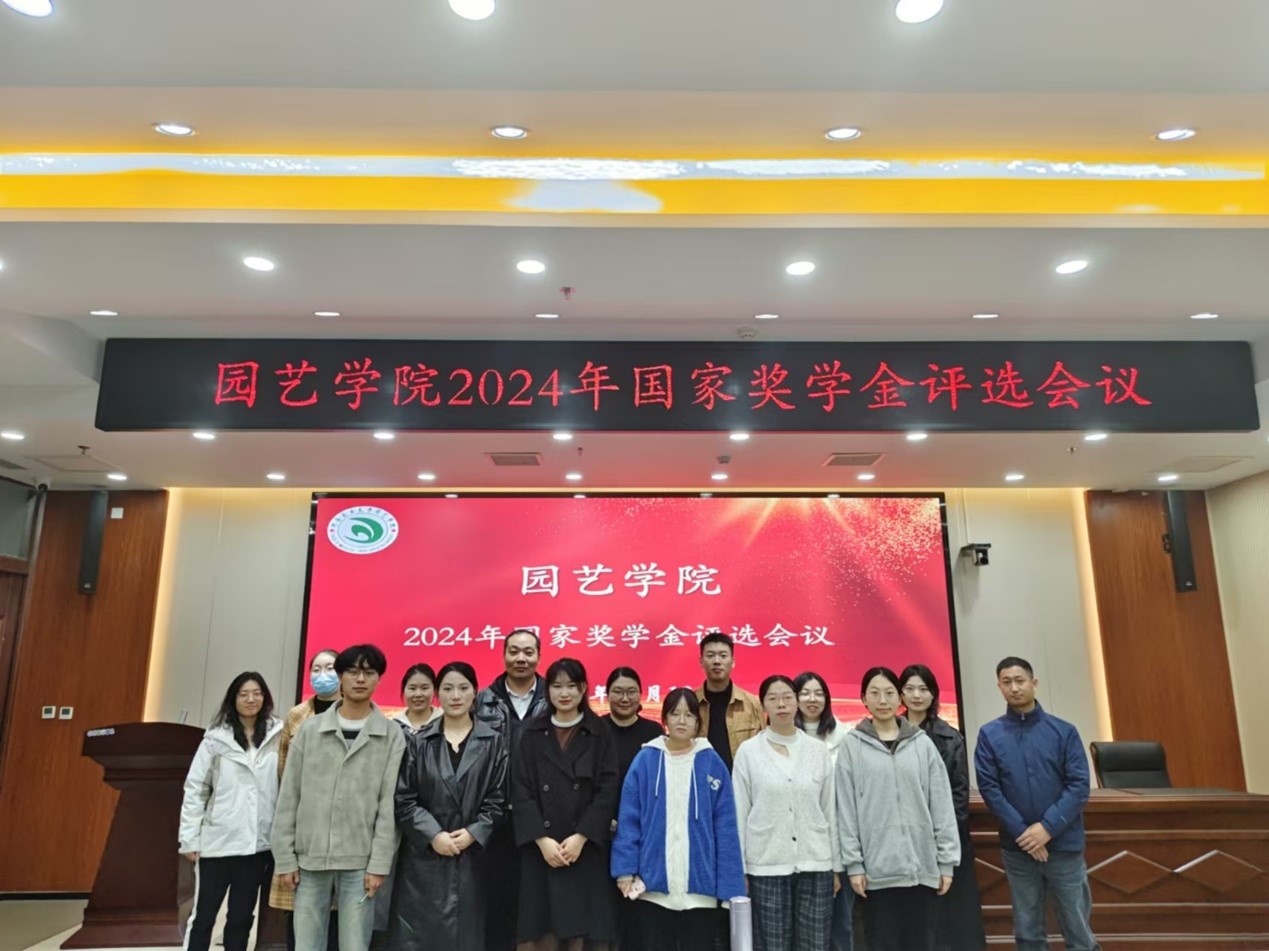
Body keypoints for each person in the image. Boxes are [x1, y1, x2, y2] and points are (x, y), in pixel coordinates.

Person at [271, 644, 407, 951]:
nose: (360, 679)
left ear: (379, 679)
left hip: (360, 862)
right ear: (341, 677)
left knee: (355, 945)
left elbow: (388, 806)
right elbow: (289, 796)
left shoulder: (390, 734)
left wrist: (379, 863)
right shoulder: (310, 730)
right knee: (307, 944)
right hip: (309, 859)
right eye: (352, 671)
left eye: (369, 672)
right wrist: (285, 857)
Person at [975, 657, 1100, 951]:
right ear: (999, 687)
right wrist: (1025, 834)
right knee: (1028, 931)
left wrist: (1046, 829)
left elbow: (1078, 786)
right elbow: (990, 790)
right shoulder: (990, 735)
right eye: (1007, 682)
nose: (1014, 688)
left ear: (1034, 683)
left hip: (1064, 845)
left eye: (1020, 681)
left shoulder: (1064, 731)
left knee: (1078, 930)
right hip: (1018, 848)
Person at [610, 688, 745, 951]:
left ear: (698, 722)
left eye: (689, 715)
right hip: (652, 887)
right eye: (675, 714)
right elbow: (629, 820)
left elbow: (726, 829)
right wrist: (624, 870)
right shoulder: (645, 760)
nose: (682, 720)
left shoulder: (712, 763)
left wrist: (731, 888)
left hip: (701, 890)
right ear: (664, 720)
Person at [837, 666, 959, 951]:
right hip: (876, 874)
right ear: (863, 699)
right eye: (874, 693)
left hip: (922, 870)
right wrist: (854, 865)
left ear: (899, 697)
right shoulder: (851, 746)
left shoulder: (921, 744)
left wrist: (946, 862)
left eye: (889, 693)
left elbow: (941, 805)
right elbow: (846, 810)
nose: (882, 700)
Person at [389, 662, 509, 951]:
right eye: (447, 688)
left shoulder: (493, 741)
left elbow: (499, 797)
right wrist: (433, 835)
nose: (455, 696)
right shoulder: (419, 742)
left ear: (475, 692)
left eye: (463, 688)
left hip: (474, 857)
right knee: (422, 938)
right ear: (437, 694)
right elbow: (404, 799)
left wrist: (473, 832)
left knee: (469, 936)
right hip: (425, 860)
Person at [512, 658, 620, 951]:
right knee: (541, 928)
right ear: (547, 690)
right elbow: (520, 790)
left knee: (584, 932)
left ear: (583, 688)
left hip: (584, 850)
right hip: (542, 851)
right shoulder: (532, 733)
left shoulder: (599, 732)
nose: (564, 693)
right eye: (557, 686)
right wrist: (541, 840)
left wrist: (581, 836)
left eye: (571, 686)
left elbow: (608, 790)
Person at [732, 674, 839, 951]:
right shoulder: (749, 752)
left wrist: (836, 867)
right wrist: (740, 869)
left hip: (816, 864)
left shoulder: (817, 751)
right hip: (766, 865)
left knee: (815, 944)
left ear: (797, 702)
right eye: (773, 698)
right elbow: (739, 813)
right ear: (763, 705)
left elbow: (830, 810)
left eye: (788, 697)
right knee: (773, 945)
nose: (781, 704)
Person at [179, 672, 283, 951]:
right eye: (243, 694)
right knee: (204, 916)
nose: (251, 699)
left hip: (257, 845)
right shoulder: (215, 738)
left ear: (265, 698)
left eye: (257, 693)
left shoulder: (277, 735)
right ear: (233, 699)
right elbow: (196, 788)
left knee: (241, 918)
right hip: (218, 844)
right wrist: (189, 838)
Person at [900, 663, 986, 951]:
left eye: (923, 689)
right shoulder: (886, 734)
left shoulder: (950, 737)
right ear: (901, 694)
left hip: (946, 841)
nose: (917, 695)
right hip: (903, 842)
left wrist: (941, 837)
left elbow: (959, 795)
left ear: (934, 694)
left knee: (951, 918)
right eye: (910, 688)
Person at [474, 629, 550, 951]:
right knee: (495, 900)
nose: (521, 658)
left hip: (541, 816)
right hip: (494, 815)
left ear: (539, 656)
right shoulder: (482, 700)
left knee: (535, 903)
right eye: (514, 651)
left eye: (528, 652)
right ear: (503, 654)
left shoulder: (553, 697)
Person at [269, 649, 343, 951]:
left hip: (343, 826)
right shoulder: (297, 715)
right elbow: (283, 770)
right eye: (316, 669)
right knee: (300, 912)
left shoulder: (356, 713)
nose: (323, 674)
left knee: (339, 916)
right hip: (304, 826)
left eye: (330, 668)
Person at [599, 667, 663, 951]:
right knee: (607, 914)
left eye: (631, 692)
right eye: (618, 692)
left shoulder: (654, 732)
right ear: (606, 695)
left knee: (640, 914)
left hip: (643, 836)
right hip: (601, 834)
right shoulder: (595, 730)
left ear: (641, 695)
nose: (624, 698)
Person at [793, 671, 852, 951]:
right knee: (803, 927)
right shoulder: (782, 738)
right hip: (798, 841)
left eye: (818, 693)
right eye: (805, 693)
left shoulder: (846, 737)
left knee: (841, 924)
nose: (812, 699)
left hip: (838, 836)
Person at [693, 632, 763, 771]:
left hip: (740, 780)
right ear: (701, 661)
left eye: (723, 656)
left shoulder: (752, 703)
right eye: (710, 655)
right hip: (699, 779)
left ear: (733, 661)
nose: (717, 661)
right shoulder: (691, 703)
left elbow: (763, 749)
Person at [394, 663, 440, 734]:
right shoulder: (393, 726)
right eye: (412, 688)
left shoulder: (445, 722)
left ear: (434, 690)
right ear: (404, 690)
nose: (418, 694)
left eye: (424, 688)